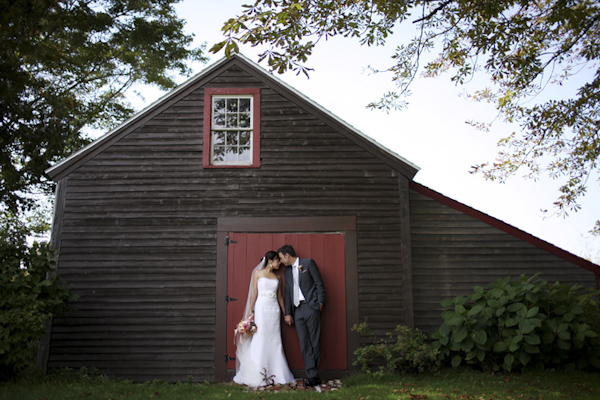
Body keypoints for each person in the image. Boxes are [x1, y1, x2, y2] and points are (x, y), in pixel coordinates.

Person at [233, 251, 295, 388]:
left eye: (280, 260)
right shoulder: (258, 273)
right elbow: (254, 291)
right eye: (277, 260)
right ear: (270, 261)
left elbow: (280, 297)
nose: (279, 263)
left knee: (275, 338)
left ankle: (277, 372)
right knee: (260, 337)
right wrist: (250, 309)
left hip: (274, 310)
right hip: (261, 308)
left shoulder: (278, 278)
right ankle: (257, 373)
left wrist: (285, 313)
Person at [278, 244, 325, 388]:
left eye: (281, 258)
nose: (280, 261)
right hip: (297, 311)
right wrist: (288, 313)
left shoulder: (308, 263)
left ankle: (312, 376)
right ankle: (312, 375)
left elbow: (319, 284)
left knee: (314, 342)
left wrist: (320, 304)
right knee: (304, 344)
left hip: (311, 307)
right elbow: (287, 293)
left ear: (287, 255)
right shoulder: (287, 272)